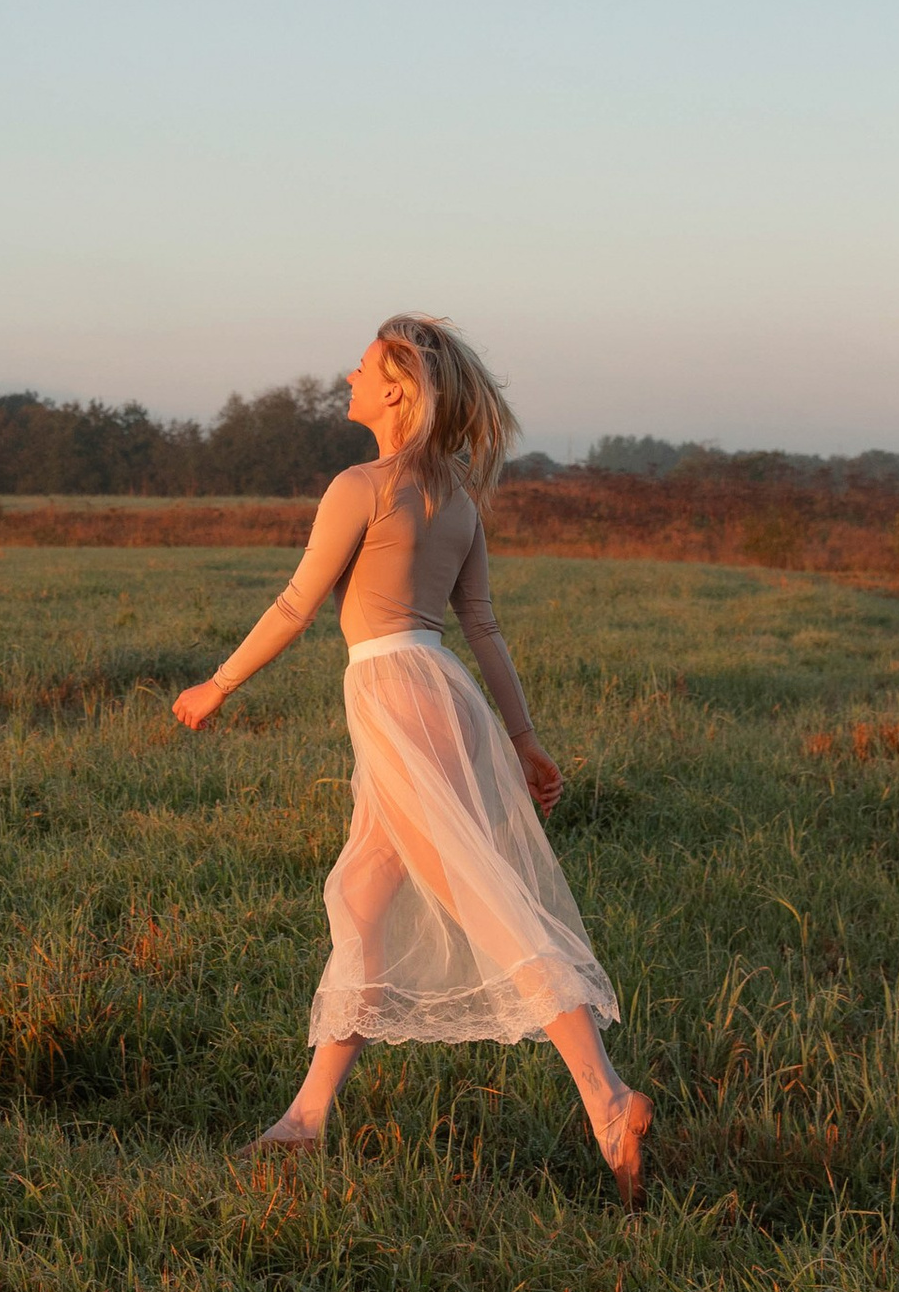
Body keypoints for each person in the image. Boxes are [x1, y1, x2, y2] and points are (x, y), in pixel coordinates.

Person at [172, 313, 652, 1205]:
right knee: (359, 899)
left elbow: (293, 604)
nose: (346, 377)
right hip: (442, 691)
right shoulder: (457, 498)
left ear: (396, 388)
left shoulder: (362, 484)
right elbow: (485, 630)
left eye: (361, 367)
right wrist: (522, 738)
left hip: (397, 695)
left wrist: (217, 685)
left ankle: (607, 1097)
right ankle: (306, 1119)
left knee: (486, 903)